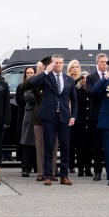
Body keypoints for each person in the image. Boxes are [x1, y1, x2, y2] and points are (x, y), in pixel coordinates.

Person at [28, 54, 77, 185]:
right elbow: (32, 82)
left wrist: (73, 116)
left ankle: (64, 175)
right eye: (56, 62)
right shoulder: (46, 77)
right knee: (49, 146)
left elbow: (74, 99)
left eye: (61, 62)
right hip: (49, 116)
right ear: (52, 64)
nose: (58, 65)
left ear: (64, 64)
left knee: (65, 147)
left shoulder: (69, 79)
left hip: (64, 117)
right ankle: (48, 175)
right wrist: (46, 70)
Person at [87, 53, 109, 180]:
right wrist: (104, 79)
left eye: (106, 62)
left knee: (108, 145)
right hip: (95, 116)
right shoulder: (91, 77)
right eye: (101, 62)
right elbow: (91, 92)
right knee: (96, 145)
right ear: (97, 63)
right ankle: (97, 171)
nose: (104, 64)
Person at [14, 66, 38, 178]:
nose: (30, 74)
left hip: (40, 115)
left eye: (32, 72)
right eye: (27, 73)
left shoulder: (40, 82)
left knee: (40, 142)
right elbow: (27, 97)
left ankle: (38, 167)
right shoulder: (25, 85)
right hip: (28, 114)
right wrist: (41, 96)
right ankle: (26, 167)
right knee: (28, 142)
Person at [71, 63, 94, 176]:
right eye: (83, 78)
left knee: (89, 147)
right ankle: (80, 168)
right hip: (80, 122)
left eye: (86, 78)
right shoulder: (77, 90)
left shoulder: (91, 91)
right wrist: (78, 78)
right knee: (80, 147)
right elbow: (71, 85)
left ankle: (88, 168)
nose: (85, 80)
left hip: (90, 122)